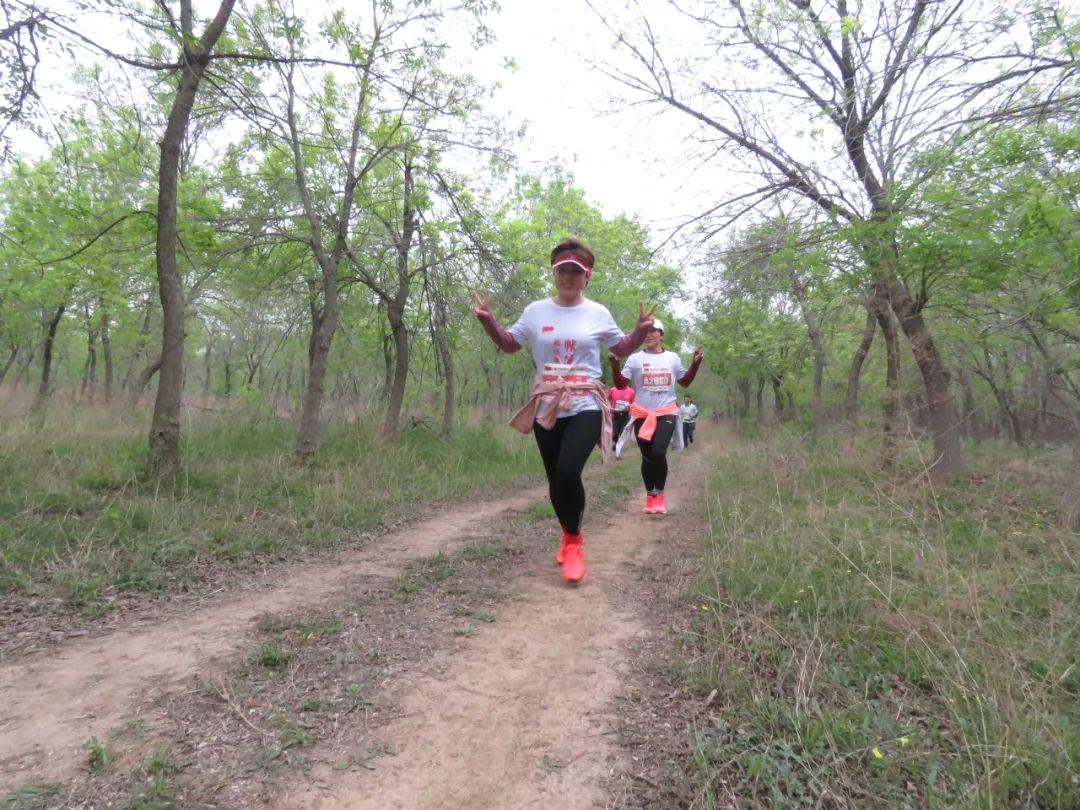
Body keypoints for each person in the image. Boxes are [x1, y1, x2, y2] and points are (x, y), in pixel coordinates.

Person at [473, 238, 655, 583]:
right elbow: (510, 344)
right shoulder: (536, 311)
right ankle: (568, 534)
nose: (568, 277)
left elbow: (621, 347)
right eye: (562, 271)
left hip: (586, 401)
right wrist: (488, 321)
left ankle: (573, 544)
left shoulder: (598, 313)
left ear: (587, 277)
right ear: (554, 273)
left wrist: (640, 330)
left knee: (570, 472)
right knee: (556, 478)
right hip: (547, 405)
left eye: (576, 271)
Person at [609, 319, 703, 515]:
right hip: (642, 413)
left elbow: (685, 382)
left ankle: (659, 495)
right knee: (647, 457)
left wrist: (695, 364)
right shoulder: (635, 360)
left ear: (662, 334)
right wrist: (615, 364)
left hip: (666, 412)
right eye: (645, 332)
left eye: (654, 331)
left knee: (659, 452)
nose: (649, 335)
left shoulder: (672, 358)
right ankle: (650, 495)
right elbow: (620, 385)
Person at [608, 383, 635, 452]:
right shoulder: (612, 390)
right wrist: (610, 408)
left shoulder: (631, 391)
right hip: (615, 414)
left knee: (623, 431)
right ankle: (615, 443)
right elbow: (608, 400)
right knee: (614, 431)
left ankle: (618, 448)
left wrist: (629, 407)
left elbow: (633, 403)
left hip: (625, 414)